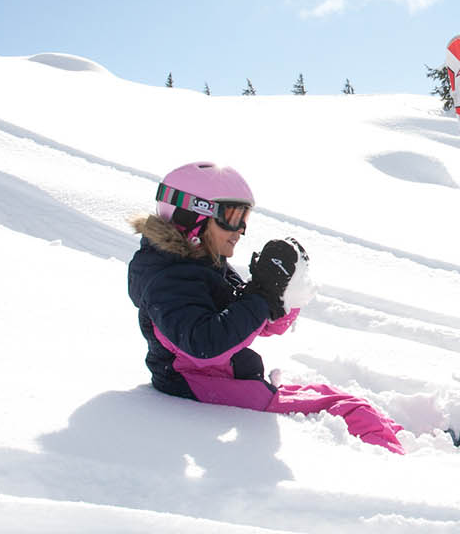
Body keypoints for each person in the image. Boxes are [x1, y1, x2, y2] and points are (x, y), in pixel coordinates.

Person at [126, 161, 405, 453]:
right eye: (232, 217)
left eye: (244, 218)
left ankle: (407, 440)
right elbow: (205, 344)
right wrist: (259, 298)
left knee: (337, 399)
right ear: (192, 215)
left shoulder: (200, 264)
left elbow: (247, 321)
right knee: (346, 409)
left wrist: (281, 295)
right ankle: (400, 469)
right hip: (203, 389)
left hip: (220, 383)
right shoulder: (169, 279)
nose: (241, 230)